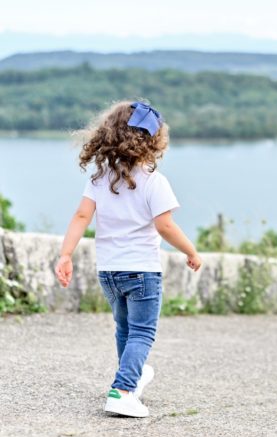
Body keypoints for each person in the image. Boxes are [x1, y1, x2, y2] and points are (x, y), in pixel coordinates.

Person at [54, 100, 202, 418]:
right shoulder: (153, 181)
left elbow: (81, 215)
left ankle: (130, 381)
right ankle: (122, 391)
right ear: (153, 141)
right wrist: (190, 251)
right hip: (142, 271)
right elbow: (165, 226)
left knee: (124, 329)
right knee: (142, 332)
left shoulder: (99, 178)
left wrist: (65, 254)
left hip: (108, 270)